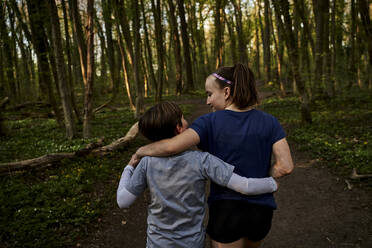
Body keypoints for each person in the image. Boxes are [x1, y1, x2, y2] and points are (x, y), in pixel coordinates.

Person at [132, 64, 294, 248]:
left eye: (209, 94)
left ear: (226, 92)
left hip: (227, 211)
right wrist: (266, 175)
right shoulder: (270, 121)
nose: (207, 102)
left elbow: (170, 147)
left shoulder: (208, 122)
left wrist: (140, 151)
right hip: (261, 211)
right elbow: (286, 166)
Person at [117, 101, 279, 248]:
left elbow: (123, 201)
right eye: (183, 118)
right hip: (192, 243)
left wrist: (129, 167)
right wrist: (272, 183)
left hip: (157, 243)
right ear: (179, 128)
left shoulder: (146, 162)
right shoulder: (202, 160)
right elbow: (245, 186)